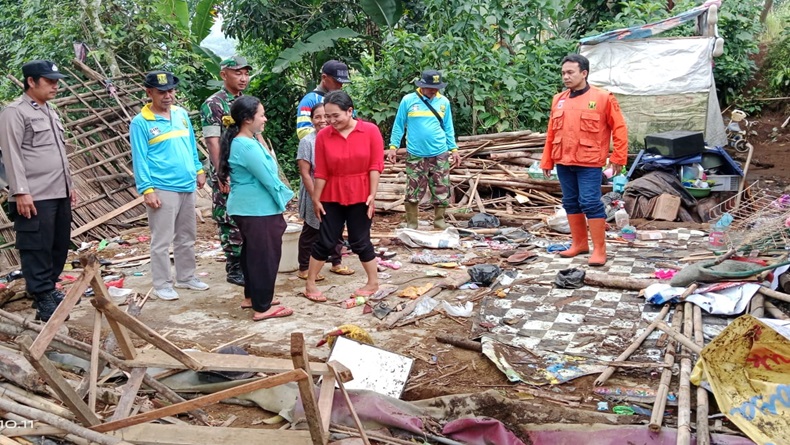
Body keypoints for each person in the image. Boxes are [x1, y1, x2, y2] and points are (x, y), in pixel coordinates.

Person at [0, 60, 75, 321]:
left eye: (56, 80)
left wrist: (69, 185)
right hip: (34, 194)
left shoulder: (50, 111)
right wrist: (20, 191)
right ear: (31, 82)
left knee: (59, 244)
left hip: (59, 191)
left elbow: (58, 153)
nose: (55, 85)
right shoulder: (15, 112)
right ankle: (41, 294)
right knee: (36, 247)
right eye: (49, 81)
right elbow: (11, 154)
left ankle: (49, 286)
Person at [539, 54, 628, 267]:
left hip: (589, 161)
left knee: (589, 202)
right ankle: (579, 244)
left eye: (570, 72)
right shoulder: (558, 99)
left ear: (584, 73)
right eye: (563, 73)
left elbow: (620, 128)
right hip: (564, 160)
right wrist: (547, 159)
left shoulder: (604, 97)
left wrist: (618, 157)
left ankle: (599, 250)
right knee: (570, 202)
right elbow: (551, 132)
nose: (566, 77)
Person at [130, 70, 210, 300]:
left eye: (171, 91)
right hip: (162, 187)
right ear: (149, 93)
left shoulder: (181, 114)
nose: (167, 96)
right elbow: (140, 158)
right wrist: (147, 189)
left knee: (187, 236)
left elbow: (191, 144)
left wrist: (198, 169)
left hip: (186, 184)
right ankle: (162, 284)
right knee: (162, 240)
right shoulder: (141, 122)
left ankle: (186, 277)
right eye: (161, 92)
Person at [218, 96, 295, 321]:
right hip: (257, 209)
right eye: (261, 115)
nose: (265, 119)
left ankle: (253, 297)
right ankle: (263, 307)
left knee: (252, 253)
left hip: (249, 207)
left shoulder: (244, 141)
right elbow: (268, 178)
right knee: (265, 256)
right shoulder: (245, 145)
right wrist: (284, 199)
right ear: (247, 119)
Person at [303, 91, 383, 302]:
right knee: (326, 240)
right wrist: (316, 199)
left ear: (350, 111)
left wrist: (372, 195)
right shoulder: (323, 136)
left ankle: (373, 282)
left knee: (360, 240)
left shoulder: (371, 131)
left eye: (335, 115)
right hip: (332, 192)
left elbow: (375, 166)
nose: (330, 121)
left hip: (361, 193)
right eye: (327, 116)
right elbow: (321, 172)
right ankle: (310, 283)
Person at [200, 56, 254, 287]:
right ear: (224, 75)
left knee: (249, 215)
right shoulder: (213, 104)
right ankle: (234, 267)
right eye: (237, 73)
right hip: (228, 171)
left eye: (245, 73)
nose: (243, 78)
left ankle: (249, 263)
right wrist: (223, 173)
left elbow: (256, 132)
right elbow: (213, 142)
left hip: (247, 170)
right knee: (229, 217)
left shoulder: (248, 102)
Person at [387, 69, 460, 230]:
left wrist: (453, 149)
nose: (433, 91)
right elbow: (399, 124)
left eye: (436, 87)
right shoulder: (408, 100)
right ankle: (412, 223)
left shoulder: (444, 102)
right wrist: (393, 147)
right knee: (413, 189)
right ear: (421, 85)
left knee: (441, 187)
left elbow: (448, 127)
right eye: (430, 87)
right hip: (415, 154)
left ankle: (439, 222)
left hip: (439, 152)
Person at [296, 103, 354, 279]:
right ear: (312, 120)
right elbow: (305, 173)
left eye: (325, 116)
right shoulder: (307, 142)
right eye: (317, 117)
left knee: (336, 228)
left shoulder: (338, 138)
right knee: (311, 230)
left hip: (335, 191)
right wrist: (315, 196)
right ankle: (304, 268)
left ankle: (336, 262)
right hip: (314, 190)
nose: (322, 120)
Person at [295, 60, 351, 140]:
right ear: (324, 77)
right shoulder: (310, 100)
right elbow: (302, 131)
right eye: (336, 81)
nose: (340, 85)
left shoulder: (343, 99)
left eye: (342, 82)